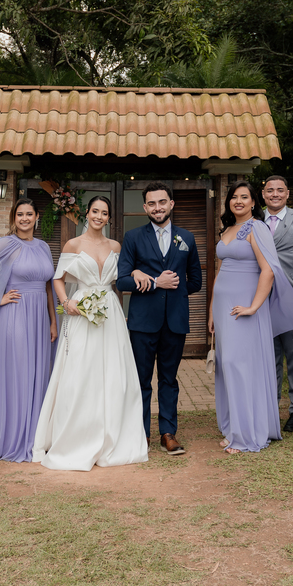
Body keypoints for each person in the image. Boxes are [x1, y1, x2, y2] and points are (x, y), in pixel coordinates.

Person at [33, 196, 149, 470]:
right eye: (95, 211)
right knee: (80, 370)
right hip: (81, 311)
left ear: (109, 218)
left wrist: (135, 271)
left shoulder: (116, 246)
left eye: (104, 213)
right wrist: (66, 303)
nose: (99, 216)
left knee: (113, 371)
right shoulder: (73, 244)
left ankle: (112, 434)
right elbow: (58, 278)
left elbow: (121, 277)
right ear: (87, 213)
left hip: (110, 312)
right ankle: (77, 434)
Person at [208, 181, 293, 454]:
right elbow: (220, 271)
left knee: (239, 365)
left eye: (244, 197)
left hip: (245, 306)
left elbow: (268, 270)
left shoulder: (257, 228)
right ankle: (232, 427)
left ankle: (246, 433)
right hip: (223, 307)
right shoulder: (227, 229)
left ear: (252, 202)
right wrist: (212, 309)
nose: (238, 201)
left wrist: (254, 307)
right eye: (234, 197)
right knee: (226, 366)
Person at [116, 182, 203, 455]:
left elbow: (196, 281)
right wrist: (156, 283)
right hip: (143, 322)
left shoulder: (187, 238)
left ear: (171, 204)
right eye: (152, 203)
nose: (157, 208)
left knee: (169, 380)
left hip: (175, 321)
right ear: (145, 207)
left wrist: (173, 291)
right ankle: (140, 434)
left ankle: (168, 433)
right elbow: (122, 281)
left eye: (162, 202)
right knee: (141, 381)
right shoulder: (133, 237)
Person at [0, 198, 58, 462]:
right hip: (15, 315)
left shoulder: (43, 246)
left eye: (29, 214)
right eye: (20, 214)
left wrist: (53, 321)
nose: (25, 218)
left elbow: (48, 285)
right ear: (13, 218)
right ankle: (16, 437)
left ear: (37, 217)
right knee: (19, 373)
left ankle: (37, 437)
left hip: (40, 317)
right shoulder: (6, 244)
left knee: (39, 374)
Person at [261, 175, 293, 433]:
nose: (275, 194)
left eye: (280, 190)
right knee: (268, 356)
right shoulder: (253, 221)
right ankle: (270, 408)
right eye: (270, 190)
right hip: (263, 297)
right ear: (263, 194)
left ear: (288, 194)